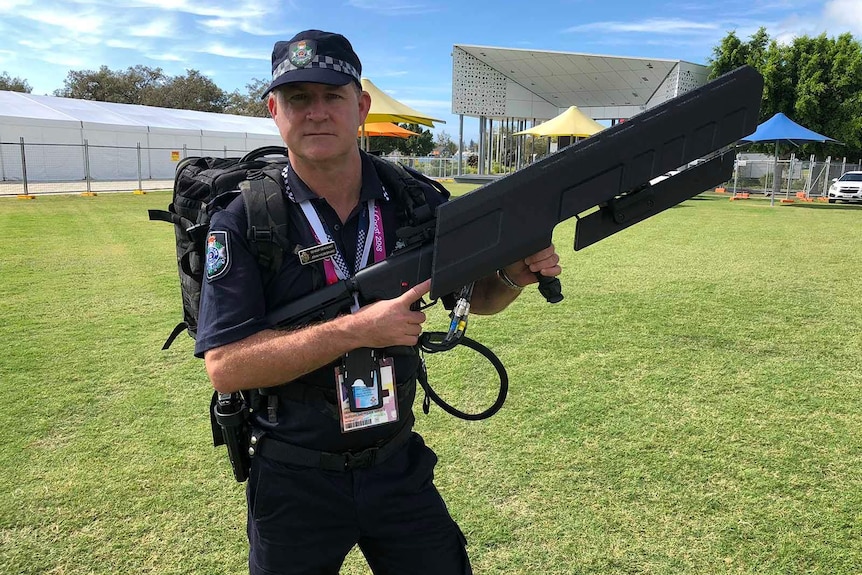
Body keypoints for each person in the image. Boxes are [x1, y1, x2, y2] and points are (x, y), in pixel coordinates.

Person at [195, 29, 561, 575]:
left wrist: (512, 277)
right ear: (274, 110)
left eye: (332, 96)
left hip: (396, 465)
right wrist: (356, 330)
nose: (316, 113)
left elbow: (474, 298)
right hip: (294, 479)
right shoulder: (247, 219)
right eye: (298, 99)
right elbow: (226, 367)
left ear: (360, 106)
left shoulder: (416, 199)